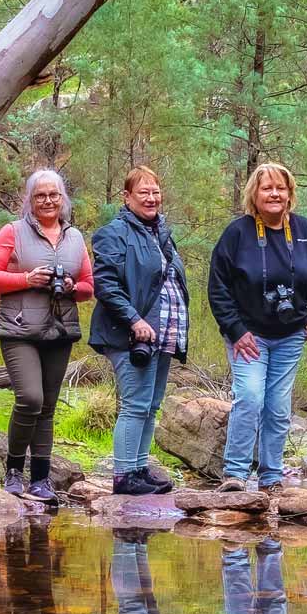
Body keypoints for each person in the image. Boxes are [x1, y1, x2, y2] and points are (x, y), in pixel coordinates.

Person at [209, 162, 307, 491]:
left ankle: (271, 477)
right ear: (255, 194)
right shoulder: (238, 233)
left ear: (290, 193)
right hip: (248, 335)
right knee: (249, 398)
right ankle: (235, 474)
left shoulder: (306, 231)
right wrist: (235, 330)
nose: (274, 193)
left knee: (278, 407)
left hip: (291, 334)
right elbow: (218, 287)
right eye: (267, 188)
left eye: (281, 188)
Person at [0, 169, 95, 505]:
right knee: (30, 398)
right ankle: (14, 471)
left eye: (54, 195)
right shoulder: (12, 232)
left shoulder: (74, 238)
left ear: (63, 199)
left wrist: (74, 287)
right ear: (30, 200)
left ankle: (41, 479)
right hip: (19, 331)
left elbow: (89, 286)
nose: (48, 201)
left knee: (46, 407)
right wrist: (27, 279)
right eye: (40, 195)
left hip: (60, 330)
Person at [89, 166, 188, 496]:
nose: (151, 198)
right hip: (129, 333)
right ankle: (123, 475)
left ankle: (139, 468)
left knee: (151, 404)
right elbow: (105, 284)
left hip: (162, 332)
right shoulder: (113, 234)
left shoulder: (161, 234)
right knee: (135, 404)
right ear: (127, 197)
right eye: (143, 192)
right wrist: (134, 320)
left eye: (155, 191)